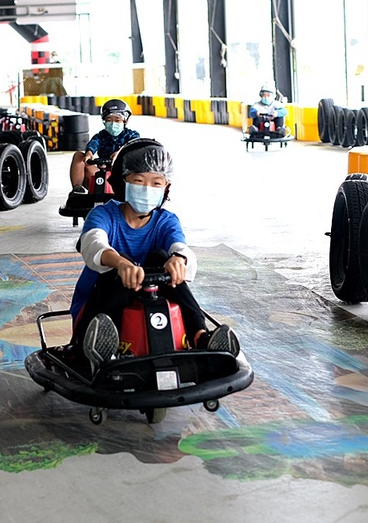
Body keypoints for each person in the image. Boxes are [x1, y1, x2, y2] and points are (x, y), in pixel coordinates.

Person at [69, 139, 240, 375]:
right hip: (101, 301)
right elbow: (92, 243)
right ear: (123, 182)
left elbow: (180, 246)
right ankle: (100, 344)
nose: (147, 189)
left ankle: (200, 336)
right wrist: (119, 262)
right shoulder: (103, 215)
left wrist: (178, 260)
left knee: (162, 257)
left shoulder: (166, 221)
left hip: (152, 298)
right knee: (119, 264)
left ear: (165, 188)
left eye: (156, 183)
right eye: (139, 181)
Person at [69, 99, 140, 193]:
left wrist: (120, 153)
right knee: (78, 155)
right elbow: (94, 143)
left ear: (125, 121)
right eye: (109, 120)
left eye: (117, 120)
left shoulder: (131, 135)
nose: (113, 124)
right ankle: (77, 189)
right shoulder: (101, 136)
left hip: (122, 175)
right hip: (101, 172)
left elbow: (134, 145)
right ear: (104, 121)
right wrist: (89, 153)